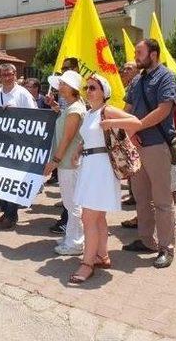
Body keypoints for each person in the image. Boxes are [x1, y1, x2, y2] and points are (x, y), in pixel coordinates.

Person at [65, 74, 141, 283]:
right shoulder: (89, 113)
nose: (88, 91)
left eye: (93, 88)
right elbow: (90, 137)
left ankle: (87, 263)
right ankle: (101, 255)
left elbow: (136, 122)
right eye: (87, 88)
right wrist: (79, 149)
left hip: (101, 169)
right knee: (97, 217)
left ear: (103, 92)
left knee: (88, 217)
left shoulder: (106, 110)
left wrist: (111, 122)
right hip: (90, 166)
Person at [123, 38, 176, 269]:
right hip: (136, 146)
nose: (136, 56)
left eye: (139, 52)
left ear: (153, 54)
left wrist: (135, 127)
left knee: (163, 201)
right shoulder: (137, 80)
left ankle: (167, 248)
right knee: (142, 197)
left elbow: (163, 110)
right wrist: (127, 130)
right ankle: (147, 241)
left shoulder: (167, 77)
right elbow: (127, 109)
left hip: (157, 145)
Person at [0, 63, 37, 229]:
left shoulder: (23, 94)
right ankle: (5, 211)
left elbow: (34, 117)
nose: (8, 77)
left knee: (13, 181)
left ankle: (12, 216)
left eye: (10, 74)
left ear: (15, 75)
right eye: (4, 75)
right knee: (3, 180)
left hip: (18, 145)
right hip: (1, 145)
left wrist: (15, 113)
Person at [43, 70, 86, 255]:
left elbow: (67, 139)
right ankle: (72, 238)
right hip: (67, 163)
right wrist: (55, 107)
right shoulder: (72, 107)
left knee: (72, 204)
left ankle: (75, 243)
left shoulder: (75, 109)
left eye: (62, 84)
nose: (59, 87)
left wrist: (54, 161)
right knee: (71, 204)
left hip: (69, 164)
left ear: (72, 88)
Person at [120, 61, 140, 209]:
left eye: (129, 68)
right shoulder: (126, 87)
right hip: (127, 133)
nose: (125, 71)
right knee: (130, 165)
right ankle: (133, 195)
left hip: (138, 133)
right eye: (124, 68)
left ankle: (138, 197)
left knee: (137, 168)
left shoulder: (138, 86)